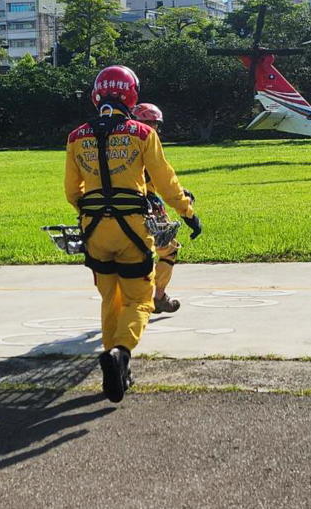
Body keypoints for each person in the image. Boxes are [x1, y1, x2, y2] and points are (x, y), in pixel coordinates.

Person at [65, 66, 202, 403]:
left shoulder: (75, 136)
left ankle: (115, 369)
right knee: (140, 300)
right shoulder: (142, 133)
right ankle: (121, 354)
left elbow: (72, 191)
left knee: (109, 299)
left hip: (94, 230)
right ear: (132, 94)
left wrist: (92, 213)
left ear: (97, 94)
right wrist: (188, 212)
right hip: (133, 231)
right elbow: (166, 182)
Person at [132, 102, 190, 314]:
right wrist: (182, 200)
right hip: (148, 206)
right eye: (147, 123)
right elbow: (160, 177)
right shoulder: (146, 141)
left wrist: (181, 190)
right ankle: (159, 296)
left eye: (154, 123)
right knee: (168, 250)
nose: (151, 127)